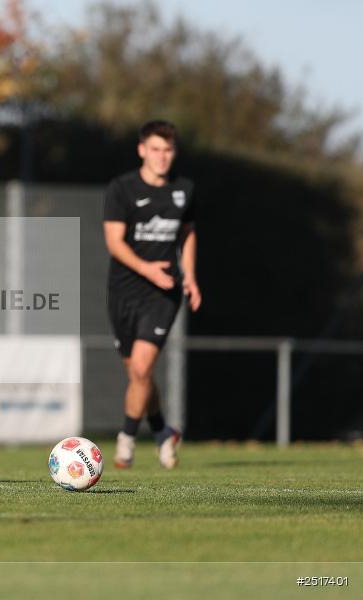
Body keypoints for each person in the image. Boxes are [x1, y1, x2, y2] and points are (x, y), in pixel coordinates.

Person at [103, 119, 201, 469]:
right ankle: (162, 431)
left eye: (168, 150)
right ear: (142, 150)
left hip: (164, 292)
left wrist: (189, 276)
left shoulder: (184, 189)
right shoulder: (122, 189)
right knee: (138, 374)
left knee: (143, 367)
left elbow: (187, 233)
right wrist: (147, 269)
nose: (162, 157)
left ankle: (126, 442)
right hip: (124, 291)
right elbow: (114, 242)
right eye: (155, 149)